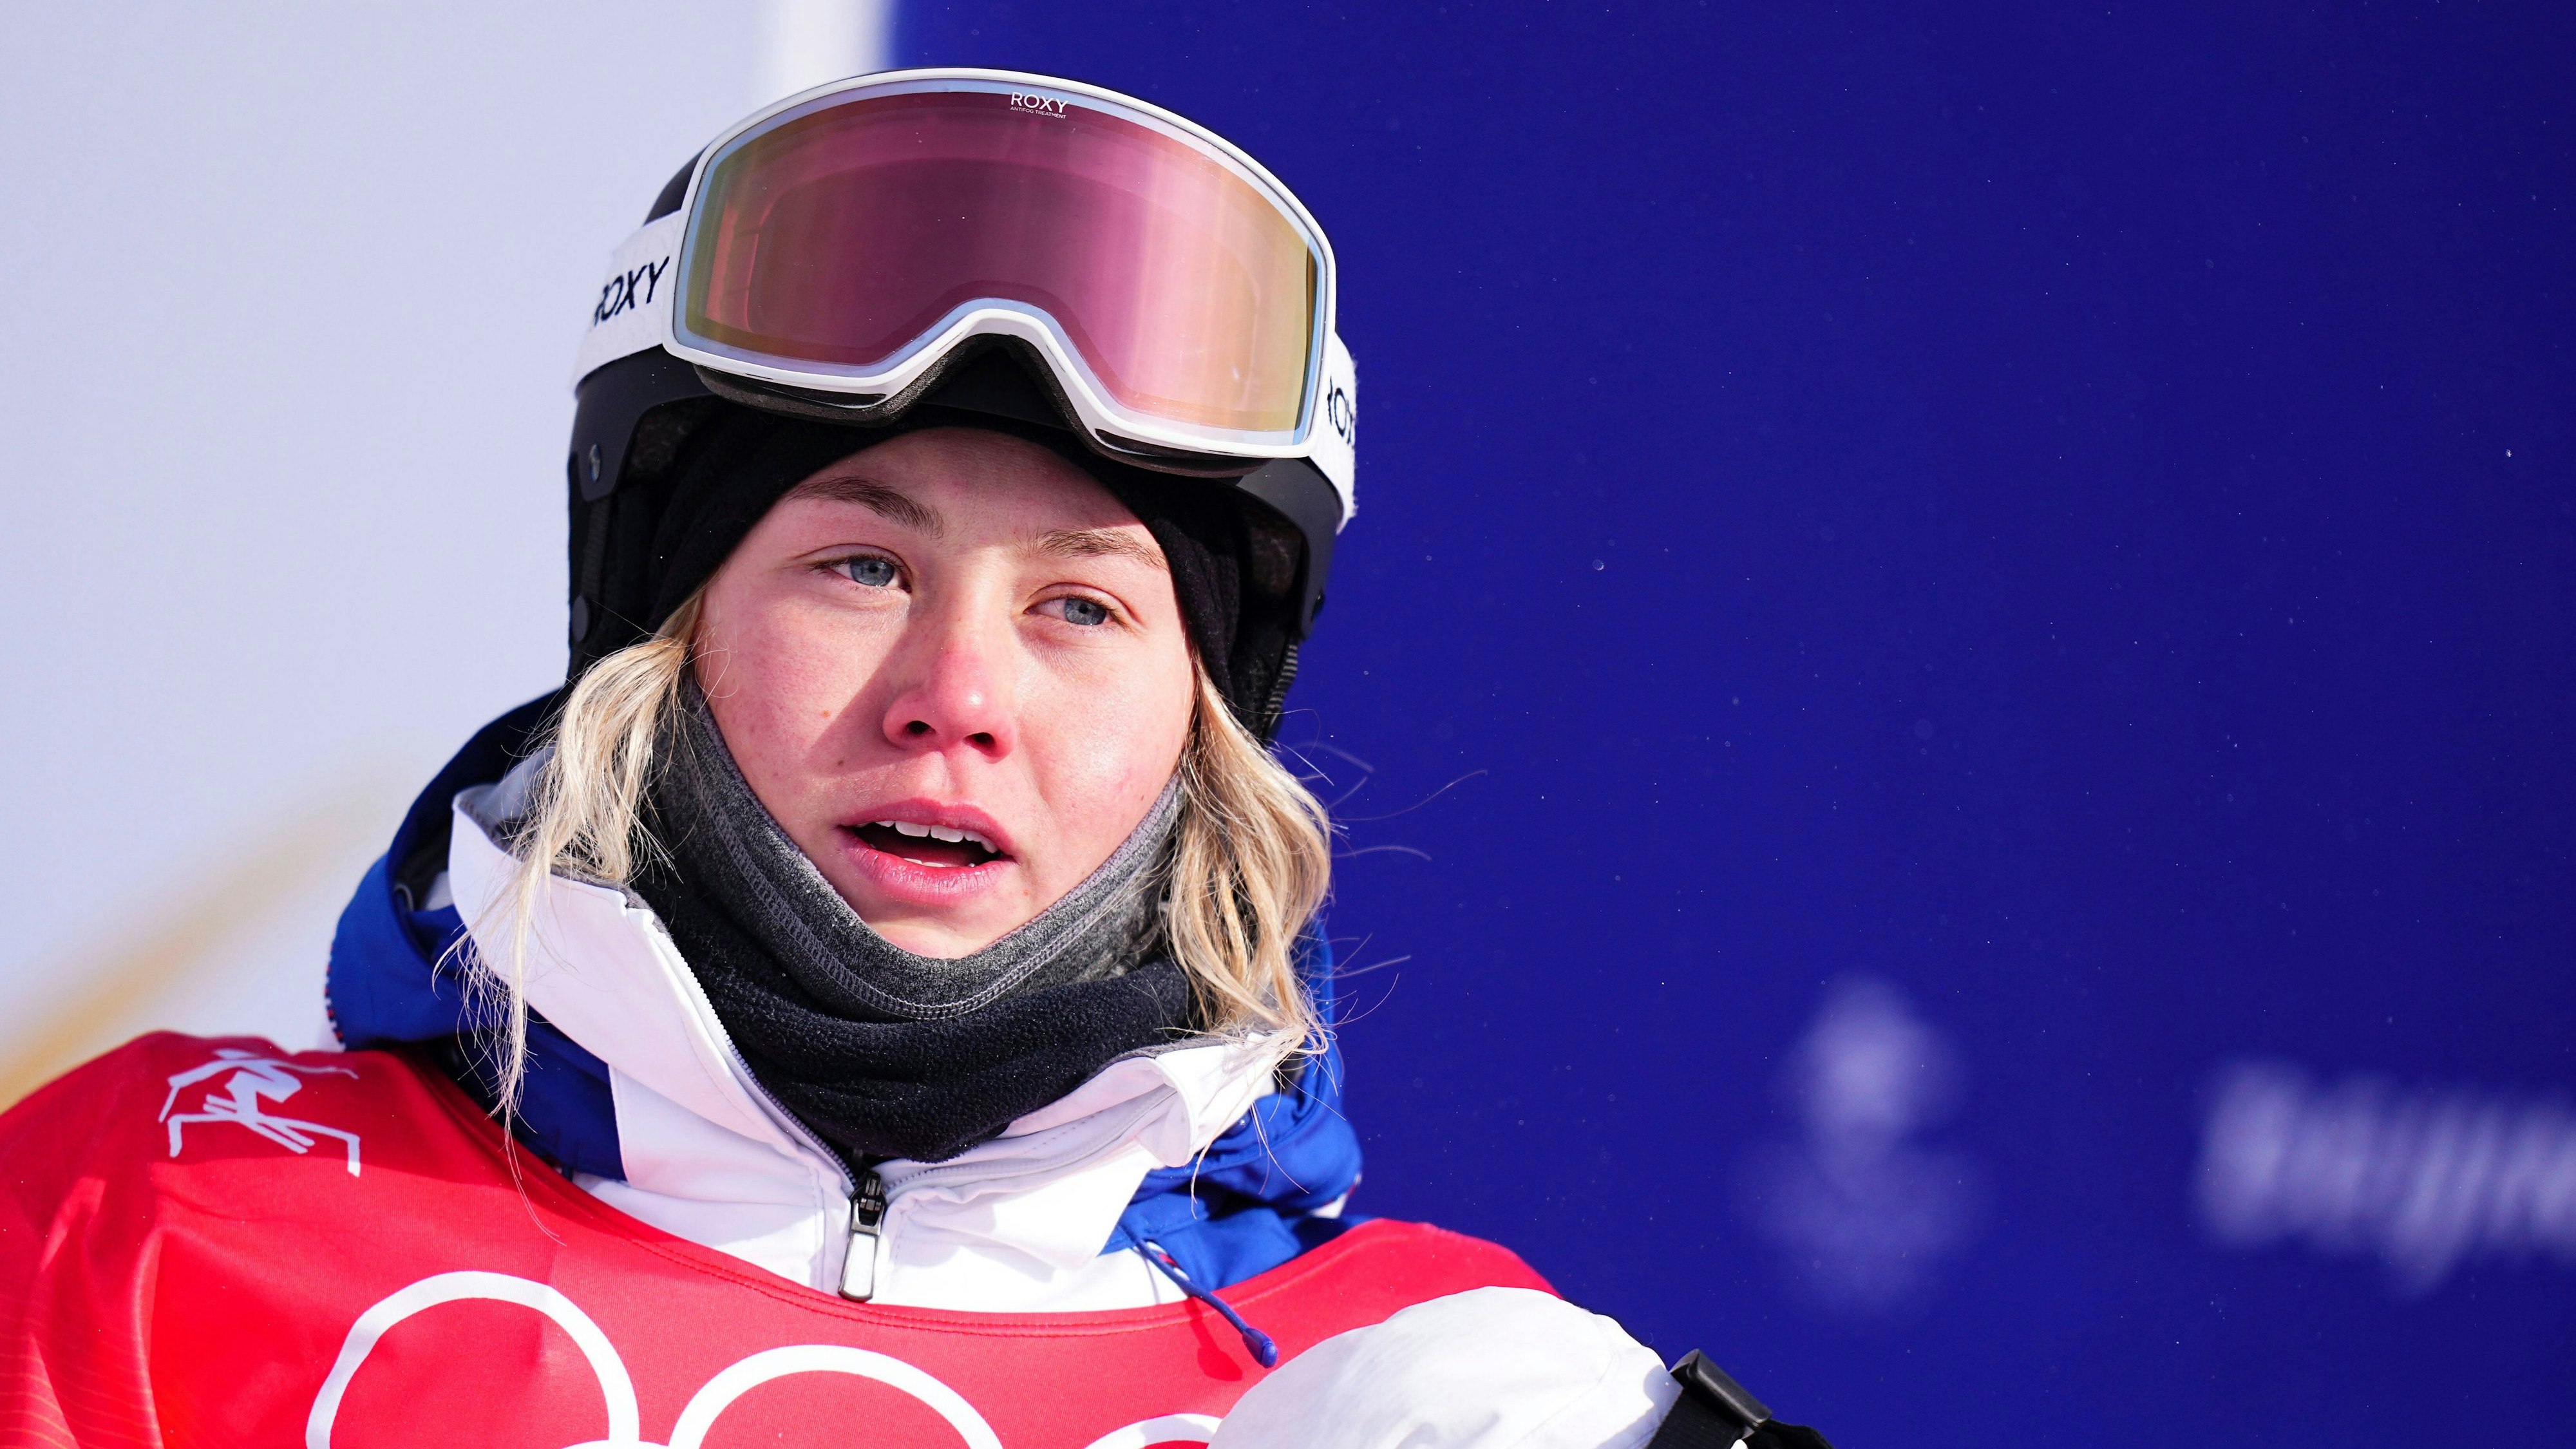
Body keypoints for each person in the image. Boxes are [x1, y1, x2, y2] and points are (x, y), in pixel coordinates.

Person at [0, 69, 1826, 1448]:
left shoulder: (1430, 1389)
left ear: (1205, 723)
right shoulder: (141, 1212)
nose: (956, 692)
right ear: (669, 627)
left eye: (1083, 608)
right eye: (859, 566)